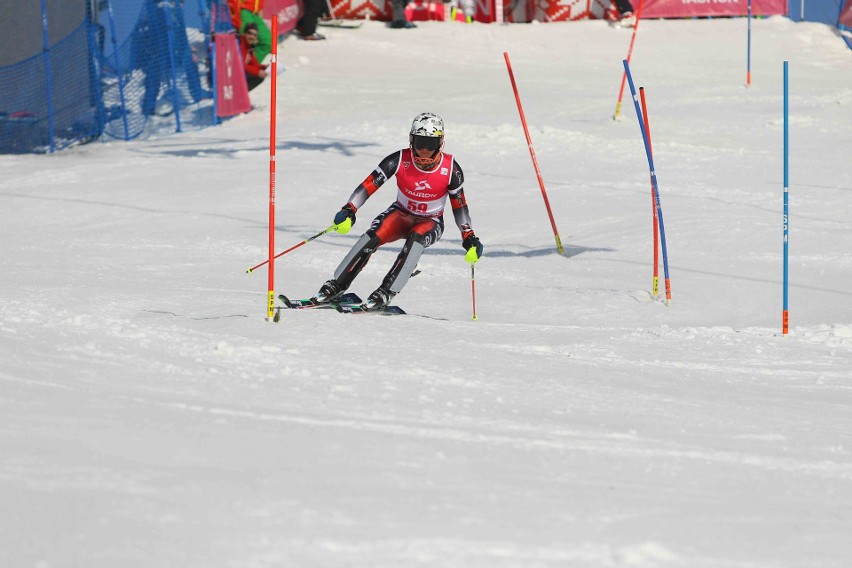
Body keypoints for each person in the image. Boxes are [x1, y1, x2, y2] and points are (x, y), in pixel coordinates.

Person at [311, 112, 483, 309]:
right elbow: (369, 185)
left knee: (416, 239)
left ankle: (386, 291)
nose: (425, 150)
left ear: (441, 143)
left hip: (430, 221)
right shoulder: (399, 159)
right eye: (420, 142)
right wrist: (350, 209)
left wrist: (468, 235)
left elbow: (459, 205)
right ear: (411, 140)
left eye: (431, 144)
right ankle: (337, 285)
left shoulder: (451, 168)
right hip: (400, 214)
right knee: (374, 235)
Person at [239, 23, 268, 91]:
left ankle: (242, 94)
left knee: (260, 76)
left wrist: (263, 67)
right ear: (244, 33)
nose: (252, 37)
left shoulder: (249, 47)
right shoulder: (239, 44)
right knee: (258, 75)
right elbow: (241, 65)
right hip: (233, 74)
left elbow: (254, 63)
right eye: (250, 33)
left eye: (255, 35)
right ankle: (239, 94)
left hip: (240, 72)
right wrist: (257, 72)